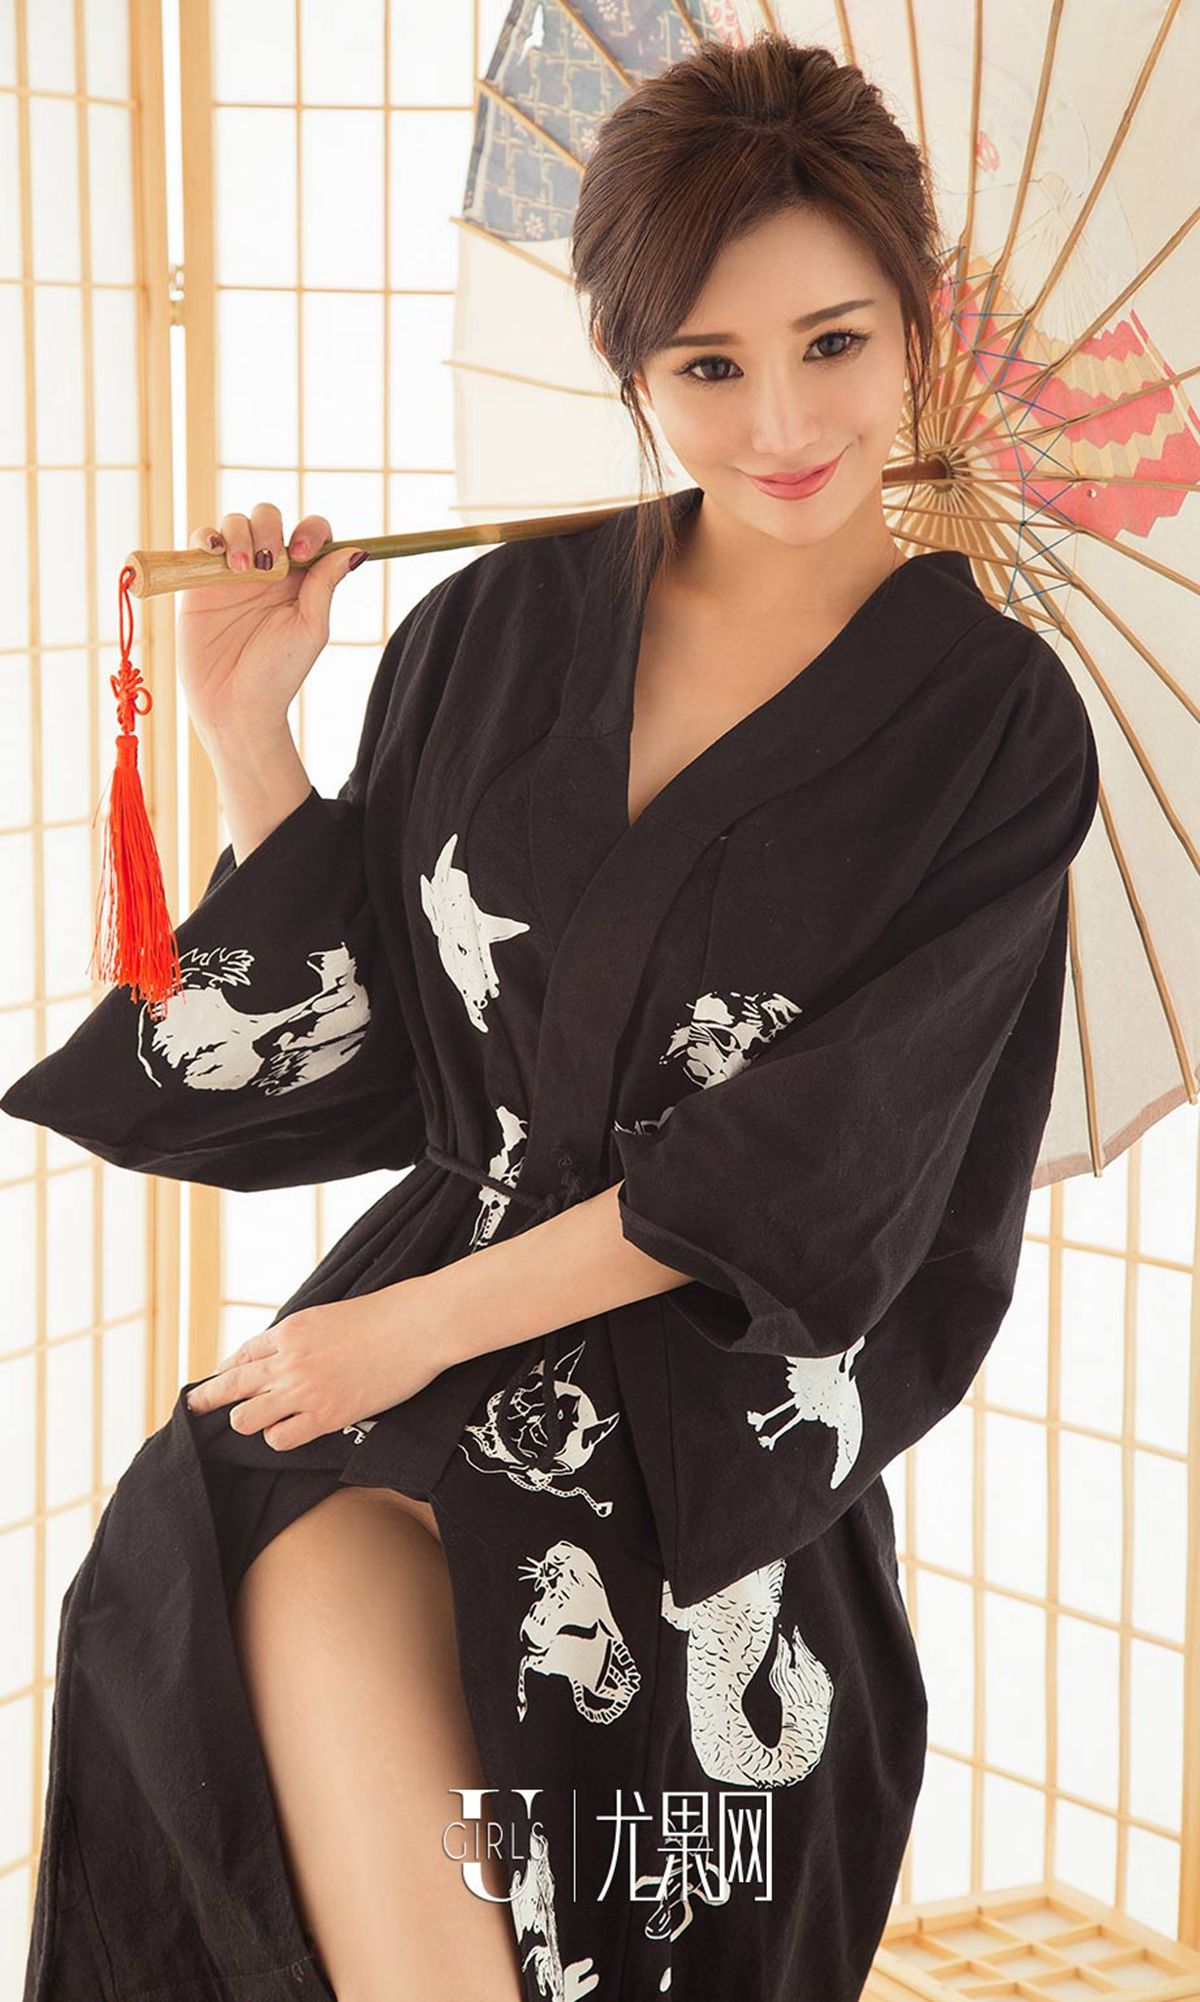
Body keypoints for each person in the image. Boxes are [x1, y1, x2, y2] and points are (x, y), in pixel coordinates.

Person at [2, 32, 1098, 2002]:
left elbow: (809, 1177)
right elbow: (396, 1035)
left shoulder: (993, 725)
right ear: (631, 367)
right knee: (235, 1572)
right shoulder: (493, 627)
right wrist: (251, 734)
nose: (783, 420)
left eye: (834, 343)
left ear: (918, 324)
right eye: (707, 365)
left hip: (710, 1433)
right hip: (403, 1357)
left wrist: (399, 1333)